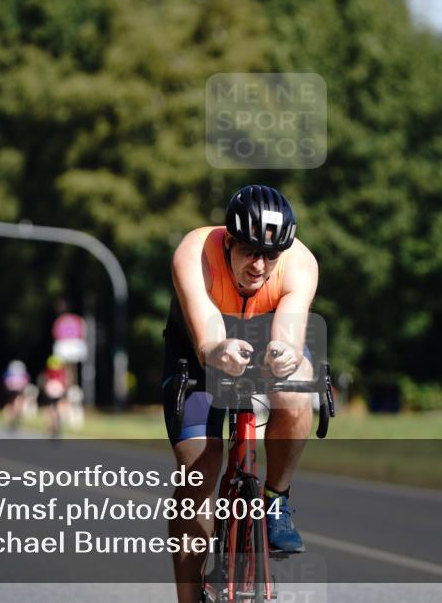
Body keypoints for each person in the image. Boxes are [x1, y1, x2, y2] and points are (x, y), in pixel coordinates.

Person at [162, 185, 318, 603]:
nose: (260, 265)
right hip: (198, 346)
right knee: (200, 469)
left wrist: (284, 358)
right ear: (228, 241)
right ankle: (188, 597)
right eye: (249, 251)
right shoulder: (194, 253)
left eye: (271, 255)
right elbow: (207, 338)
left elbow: (287, 336)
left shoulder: (300, 264)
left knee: (297, 388)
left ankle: (276, 501)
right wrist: (218, 350)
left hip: (264, 335)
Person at [41, 355, 70, 437]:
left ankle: (51, 425)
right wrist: (65, 390)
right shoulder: (62, 371)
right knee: (58, 407)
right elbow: (66, 381)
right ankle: (58, 421)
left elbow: (44, 381)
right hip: (59, 391)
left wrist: (45, 390)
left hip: (50, 391)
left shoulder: (47, 371)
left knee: (50, 408)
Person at [3, 359, 30, 431]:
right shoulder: (12, 373)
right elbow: (26, 381)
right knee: (14, 404)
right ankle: (13, 418)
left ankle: (12, 418)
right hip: (14, 391)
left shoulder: (9, 372)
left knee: (12, 404)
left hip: (14, 391)